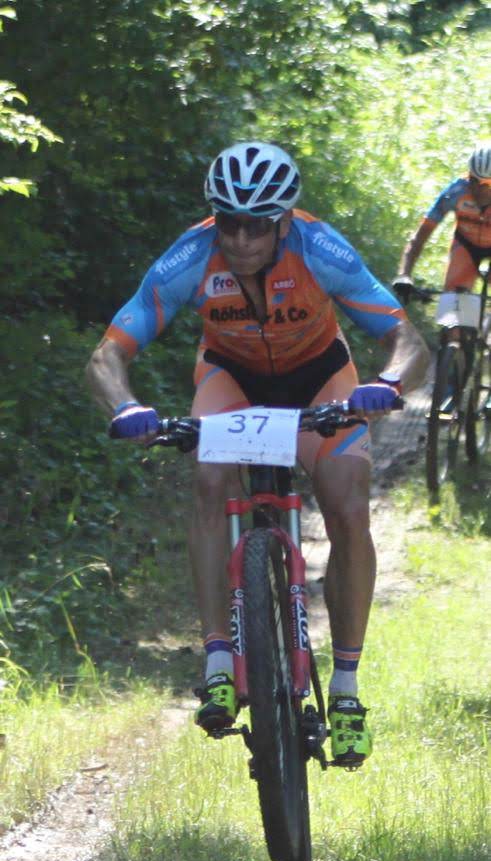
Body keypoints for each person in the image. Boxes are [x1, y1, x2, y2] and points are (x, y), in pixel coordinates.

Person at [86, 140, 429, 767]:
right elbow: (108, 355)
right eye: (229, 222)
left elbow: (407, 339)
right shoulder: (191, 257)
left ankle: (346, 690)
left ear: (284, 220)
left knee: (348, 506)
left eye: (257, 224)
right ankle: (219, 659)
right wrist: (126, 408)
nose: (241, 238)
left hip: (320, 379)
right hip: (233, 379)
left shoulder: (320, 250)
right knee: (209, 484)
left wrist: (388, 382)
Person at [392, 142, 491, 303]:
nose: (478, 189)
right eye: (473, 180)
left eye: (487, 184)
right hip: (466, 245)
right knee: (453, 306)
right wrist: (404, 274)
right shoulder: (456, 192)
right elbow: (420, 237)